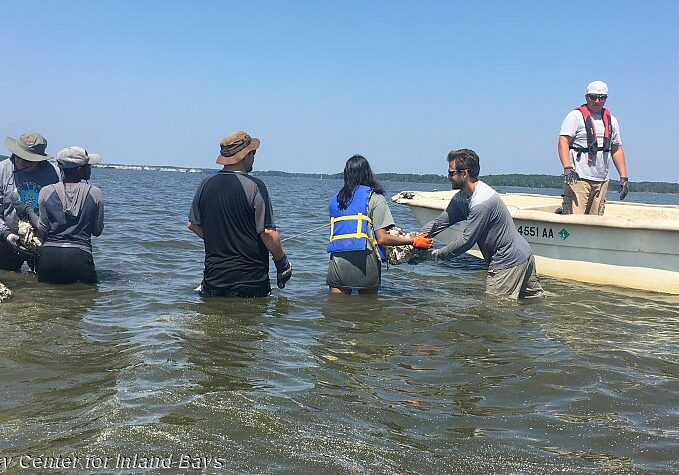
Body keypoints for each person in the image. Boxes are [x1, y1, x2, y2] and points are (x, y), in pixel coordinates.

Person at [422, 149, 543, 299]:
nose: (448, 177)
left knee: (493, 311)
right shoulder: (461, 197)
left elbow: (466, 241)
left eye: (451, 173)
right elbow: (439, 223)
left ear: (464, 174)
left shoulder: (481, 202)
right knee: (536, 300)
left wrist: (436, 255)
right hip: (522, 254)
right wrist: (414, 239)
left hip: (507, 260)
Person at [188, 130, 292, 298]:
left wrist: (220, 241)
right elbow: (268, 233)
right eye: (253, 152)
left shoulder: (205, 184)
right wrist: (282, 263)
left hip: (213, 281)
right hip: (251, 283)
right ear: (246, 155)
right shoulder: (255, 186)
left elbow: (193, 224)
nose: (254, 157)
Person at [327, 155, 432, 295]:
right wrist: (413, 240)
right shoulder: (375, 198)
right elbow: (382, 239)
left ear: (346, 174)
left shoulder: (335, 200)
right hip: (366, 260)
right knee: (369, 310)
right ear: (367, 173)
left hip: (338, 261)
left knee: (337, 310)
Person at [558, 80, 629, 215]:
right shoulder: (575, 116)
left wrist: (623, 177)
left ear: (606, 99)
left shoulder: (612, 120)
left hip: (601, 180)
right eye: (593, 97)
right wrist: (567, 167)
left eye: (602, 98)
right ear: (586, 97)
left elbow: (617, 148)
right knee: (575, 218)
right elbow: (563, 142)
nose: (597, 101)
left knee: (596, 220)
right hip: (578, 178)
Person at [36, 146, 104, 284]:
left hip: (49, 257)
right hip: (80, 256)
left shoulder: (45, 192)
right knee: (84, 300)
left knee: (46, 301)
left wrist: (28, 211)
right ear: (79, 170)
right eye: (88, 165)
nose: (90, 168)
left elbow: (42, 230)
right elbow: (97, 231)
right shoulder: (95, 193)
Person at [1, 131, 59, 270]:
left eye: (27, 160)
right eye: (18, 156)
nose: (20, 162)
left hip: (42, 241)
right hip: (7, 237)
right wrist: (7, 234)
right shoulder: (2, 170)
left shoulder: (54, 174)